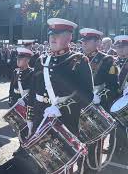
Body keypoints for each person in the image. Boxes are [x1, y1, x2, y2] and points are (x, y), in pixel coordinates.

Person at [26, 18, 94, 173]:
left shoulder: (79, 61)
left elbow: (87, 96)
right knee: (41, 161)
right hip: (40, 118)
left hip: (65, 121)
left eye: (58, 34)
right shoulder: (41, 60)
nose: (52, 38)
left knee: (63, 164)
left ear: (69, 37)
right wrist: (30, 118)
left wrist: (61, 106)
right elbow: (32, 92)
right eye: (51, 34)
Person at [80, 28, 119, 112]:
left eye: (88, 40)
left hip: (98, 106)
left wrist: (100, 97)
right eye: (83, 40)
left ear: (97, 42)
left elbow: (113, 86)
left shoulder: (107, 60)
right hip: (79, 104)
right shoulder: (77, 59)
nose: (84, 43)